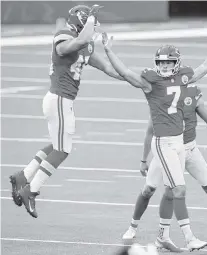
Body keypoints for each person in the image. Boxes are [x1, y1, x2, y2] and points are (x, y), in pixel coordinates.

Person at [101, 28, 207, 251]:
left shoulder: (183, 78)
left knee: (171, 190)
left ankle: (163, 236)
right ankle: (188, 237)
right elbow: (126, 73)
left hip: (180, 143)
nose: (164, 66)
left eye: (168, 63)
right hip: (164, 143)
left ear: (176, 63)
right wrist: (108, 51)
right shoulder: (150, 83)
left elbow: (205, 67)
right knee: (177, 190)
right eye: (161, 63)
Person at [10, 4, 127, 218]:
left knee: (57, 145)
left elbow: (109, 69)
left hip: (62, 101)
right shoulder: (64, 36)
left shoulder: (85, 45)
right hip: (59, 99)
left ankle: (23, 176)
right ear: (80, 21)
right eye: (89, 23)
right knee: (63, 150)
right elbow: (78, 41)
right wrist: (91, 18)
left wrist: (131, 76)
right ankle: (31, 190)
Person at [122, 85, 207, 251]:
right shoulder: (161, 95)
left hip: (189, 149)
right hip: (168, 150)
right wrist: (143, 159)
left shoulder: (192, 93)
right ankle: (133, 227)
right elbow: (150, 130)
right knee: (150, 190)